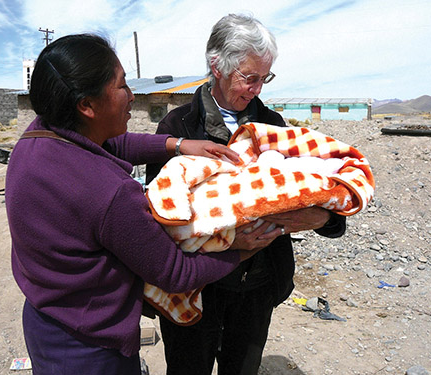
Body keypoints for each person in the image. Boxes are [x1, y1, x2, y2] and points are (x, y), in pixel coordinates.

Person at [5, 33, 282, 375]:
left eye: (262, 79)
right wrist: (239, 248)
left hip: (45, 321)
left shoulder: (36, 139)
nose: (132, 96)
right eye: (122, 86)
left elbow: (110, 144)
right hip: (92, 348)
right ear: (87, 106)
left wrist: (178, 145)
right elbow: (174, 272)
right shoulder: (111, 193)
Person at [146, 14, 347, 375]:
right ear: (217, 66)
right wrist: (229, 240)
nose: (256, 89)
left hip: (257, 286)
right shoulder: (178, 128)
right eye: (249, 78)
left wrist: (324, 218)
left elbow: (319, 191)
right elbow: (162, 218)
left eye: (264, 78)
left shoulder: (275, 127)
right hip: (198, 286)